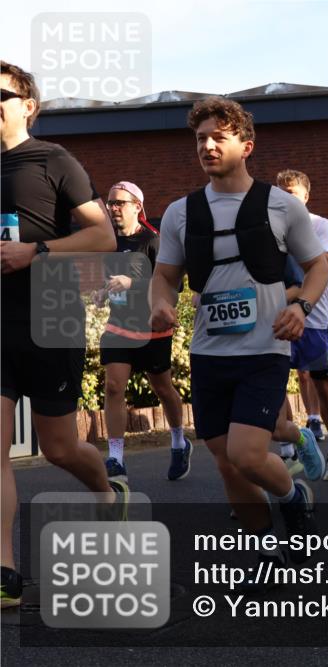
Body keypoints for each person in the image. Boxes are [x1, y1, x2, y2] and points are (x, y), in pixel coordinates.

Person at [150, 97, 328, 570]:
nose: (207, 146)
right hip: (209, 352)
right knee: (226, 460)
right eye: (200, 139)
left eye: (219, 137)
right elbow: (165, 275)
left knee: (247, 454)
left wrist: (303, 306)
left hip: (265, 348)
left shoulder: (281, 204)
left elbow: (319, 266)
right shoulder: (180, 213)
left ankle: (292, 498)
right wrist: (160, 303)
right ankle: (263, 548)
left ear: (246, 146)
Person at [1, 61, 127, 608]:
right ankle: (5, 570)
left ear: (27, 103)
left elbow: (102, 236)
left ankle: (105, 490)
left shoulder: (54, 160)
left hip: (51, 316)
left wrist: (38, 251)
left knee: (59, 448)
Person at [96, 181, 192, 483]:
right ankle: (115, 458)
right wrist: (102, 292)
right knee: (113, 387)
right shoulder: (107, 242)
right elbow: (110, 281)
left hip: (152, 328)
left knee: (162, 387)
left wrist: (132, 283)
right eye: (110, 203)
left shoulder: (153, 241)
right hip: (118, 326)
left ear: (137, 206)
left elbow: (173, 285)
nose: (113, 209)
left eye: (119, 203)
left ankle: (179, 442)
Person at [274, 169, 328, 482]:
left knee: (322, 384)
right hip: (277, 318)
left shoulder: (320, 225)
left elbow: (324, 265)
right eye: (280, 192)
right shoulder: (270, 228)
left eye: (292, 193)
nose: (285, 198)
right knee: (275, 383)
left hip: (314, 320)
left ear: (305, 196)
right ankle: (288, 453)